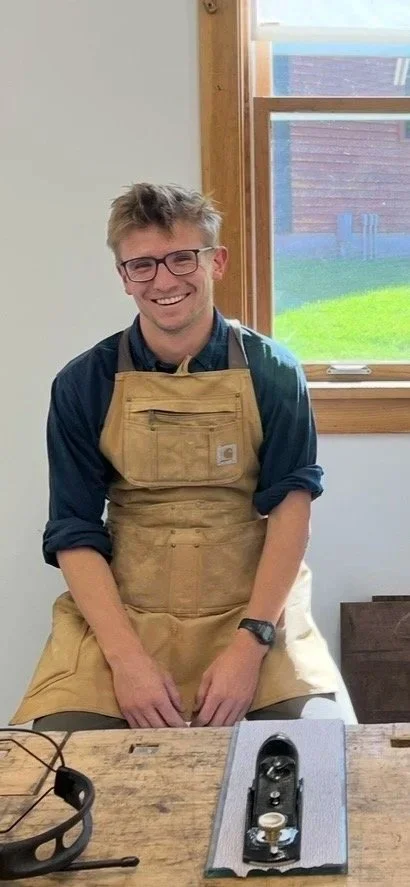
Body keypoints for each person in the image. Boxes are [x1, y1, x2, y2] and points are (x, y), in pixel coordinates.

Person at [11, 183, 351, 733]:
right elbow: (73, 530)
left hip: (250, 611)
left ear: (216, 262)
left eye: (182, 258)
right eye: (142, 265)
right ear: (124, 277)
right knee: (59, 760)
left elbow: (292, 511)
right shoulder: (84, 382)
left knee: (321, 747)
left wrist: (251, 645)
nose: (164, 281)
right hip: (125, 618)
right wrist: (126, 662)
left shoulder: (273, 372)